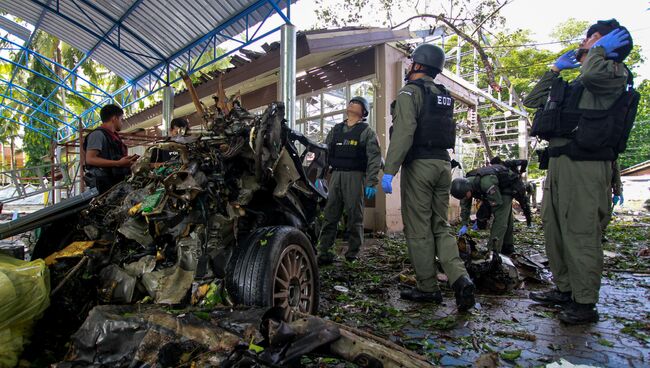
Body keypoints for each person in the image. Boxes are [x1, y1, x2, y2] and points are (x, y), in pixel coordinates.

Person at [523, 19, 637, 324]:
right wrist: (554, 71)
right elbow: (532, 101)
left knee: (581, 233)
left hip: (585, 166)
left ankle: (584, 302)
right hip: (560, 164)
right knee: (554, 229)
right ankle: (565, 289)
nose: (586, 41)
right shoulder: (578, 82)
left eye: (595, 38)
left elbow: (593, 71)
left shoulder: (613, 73)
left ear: (609, 45)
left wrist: (599, 50)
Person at [381, 44, 475, 311]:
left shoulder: (410, 92)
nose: (409, 67)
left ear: (419, 66)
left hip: (420, 166)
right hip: (443, 165)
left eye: (412, 63)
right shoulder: (442, 94)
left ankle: (428, 287)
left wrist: (390, 170)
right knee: (440, 226)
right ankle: (460, 279)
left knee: (419, 229)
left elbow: (404, 132)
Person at [317, 96, 381, 264]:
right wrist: (319, 176)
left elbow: (374, 158)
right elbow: (324, 152)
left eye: (357, 103)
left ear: (363, 112)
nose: (352, 104)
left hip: (355, 176)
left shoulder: (366, 132)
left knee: (354, 216)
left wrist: (371, 182)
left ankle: (353, 253)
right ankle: (324, 251)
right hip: (336, 175)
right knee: (330, 215)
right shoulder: (336, 130)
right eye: (351, 102)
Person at [451, 164, 519, 255]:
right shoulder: (465, 188)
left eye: (465, 195)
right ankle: (507, 247)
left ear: (468, 189)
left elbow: (495, 206)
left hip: (505, 188)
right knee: (505, 217)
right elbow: (465, 207)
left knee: (501, 220)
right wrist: (464, 224)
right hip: (493, 190)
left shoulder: (486, 184)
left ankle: (493, 251)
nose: (465, 198)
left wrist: (482, 218)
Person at [84, 104, 137, 194]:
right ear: (114, 118)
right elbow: (90, 159)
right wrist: (118, 163)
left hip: (114, 184)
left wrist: (128, 161)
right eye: (121, 119)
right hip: (103, 187)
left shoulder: (114, 137)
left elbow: (114, 157)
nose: (122, 122)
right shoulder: (98, 135)